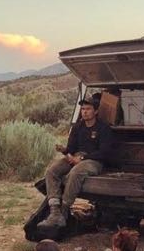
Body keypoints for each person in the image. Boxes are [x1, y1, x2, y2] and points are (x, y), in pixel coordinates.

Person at [38, 95, 113, 228]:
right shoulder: (78, 127)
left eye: (88, 109)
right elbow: (71, 148)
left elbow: (104, 152)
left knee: (76, 172)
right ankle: (54, 212)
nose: (84, 112)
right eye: (83, 109)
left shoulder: (103, 128)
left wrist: (82, 158)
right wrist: (65, 152)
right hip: (76, 157)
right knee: (52, 171)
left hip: (94, 161)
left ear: (95, 111)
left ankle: (64, 211)